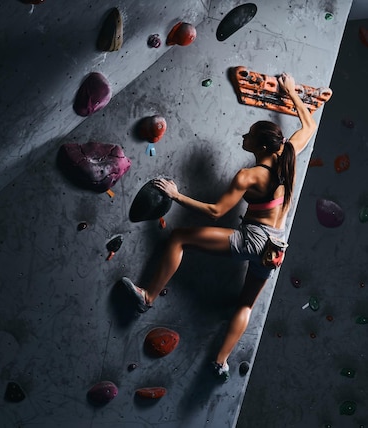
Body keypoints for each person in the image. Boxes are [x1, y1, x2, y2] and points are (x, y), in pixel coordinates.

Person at [121, 72, 317, 381]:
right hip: (276, 249)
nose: (244, 135)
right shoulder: (288, 156)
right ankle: (220, 362)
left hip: (254, 240)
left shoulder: (248, 176)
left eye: (250, 135)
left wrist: (175, 195)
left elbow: (215, 211)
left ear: (262, 146)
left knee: (180, 237)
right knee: (246, 304)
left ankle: (148, 297)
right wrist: (291, 92)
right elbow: (310, 125)